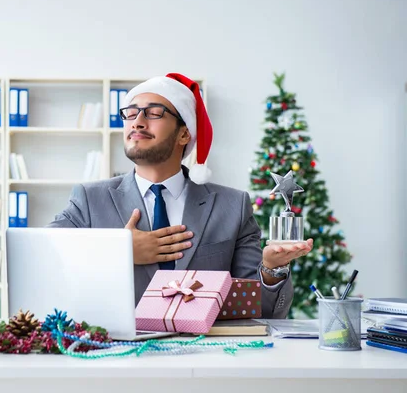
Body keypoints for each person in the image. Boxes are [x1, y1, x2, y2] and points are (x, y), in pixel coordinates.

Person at [47, 73, 313, 318]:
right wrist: (118, 251)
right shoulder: (89, 200)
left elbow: (260, 311)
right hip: (115, 359)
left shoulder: (233, 207)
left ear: (184, 133)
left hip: (203, 360)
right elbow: (46, 257)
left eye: (153, 113)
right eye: (130, 114)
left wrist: (270, 269)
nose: (137, 122)